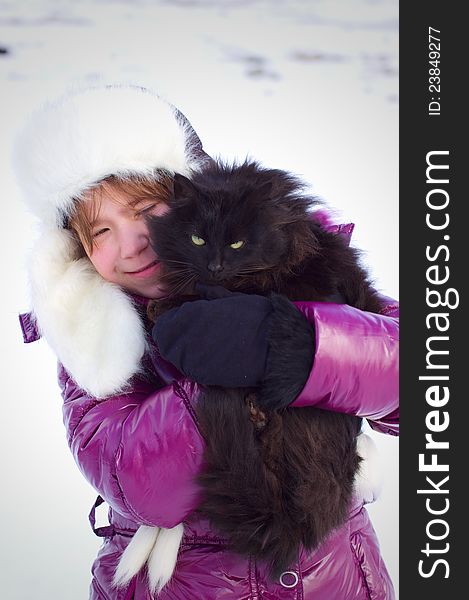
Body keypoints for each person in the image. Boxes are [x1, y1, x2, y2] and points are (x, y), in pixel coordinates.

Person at [15, 85, 399, 600]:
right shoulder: (92, 343)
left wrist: (294, 345)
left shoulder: (301, 267)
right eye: (100, 232)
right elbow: (136, 482)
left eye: (147, 209)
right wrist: (213, 385)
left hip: (334, 581)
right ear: (79, 250)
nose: (132, 244)